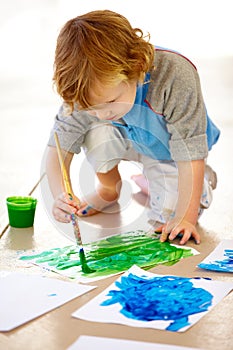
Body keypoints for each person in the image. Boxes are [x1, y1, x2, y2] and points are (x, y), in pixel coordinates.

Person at [46, 10, 220, 245]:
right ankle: (109, 189)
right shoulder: (84, 89)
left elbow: (189, 151)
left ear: (137, 67)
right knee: (96, 129)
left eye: (109, 102)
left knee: (167, 223)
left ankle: (196, 185)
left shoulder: (174, 75)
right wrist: (60, 196)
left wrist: (185, 217)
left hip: (171, 150)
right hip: (127, 136)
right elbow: (58, 149)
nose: (101, 114)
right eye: (90, 109)